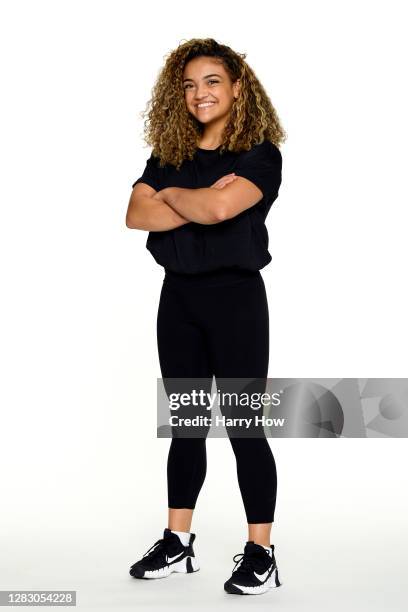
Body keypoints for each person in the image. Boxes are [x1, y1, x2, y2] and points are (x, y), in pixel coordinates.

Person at [125, 38, 286, 596]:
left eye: (212, 81)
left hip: (237, 301)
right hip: (179, 303)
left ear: (238, 87)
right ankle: (178, 544)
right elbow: (133, 213)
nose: (200, 93)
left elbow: (220, 208)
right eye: (190, 84)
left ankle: (262, 551)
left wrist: (168, 197)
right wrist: (182, 192)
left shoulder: (260, 154)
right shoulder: (171, 152)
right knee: (187, 427)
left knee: (244, 427)